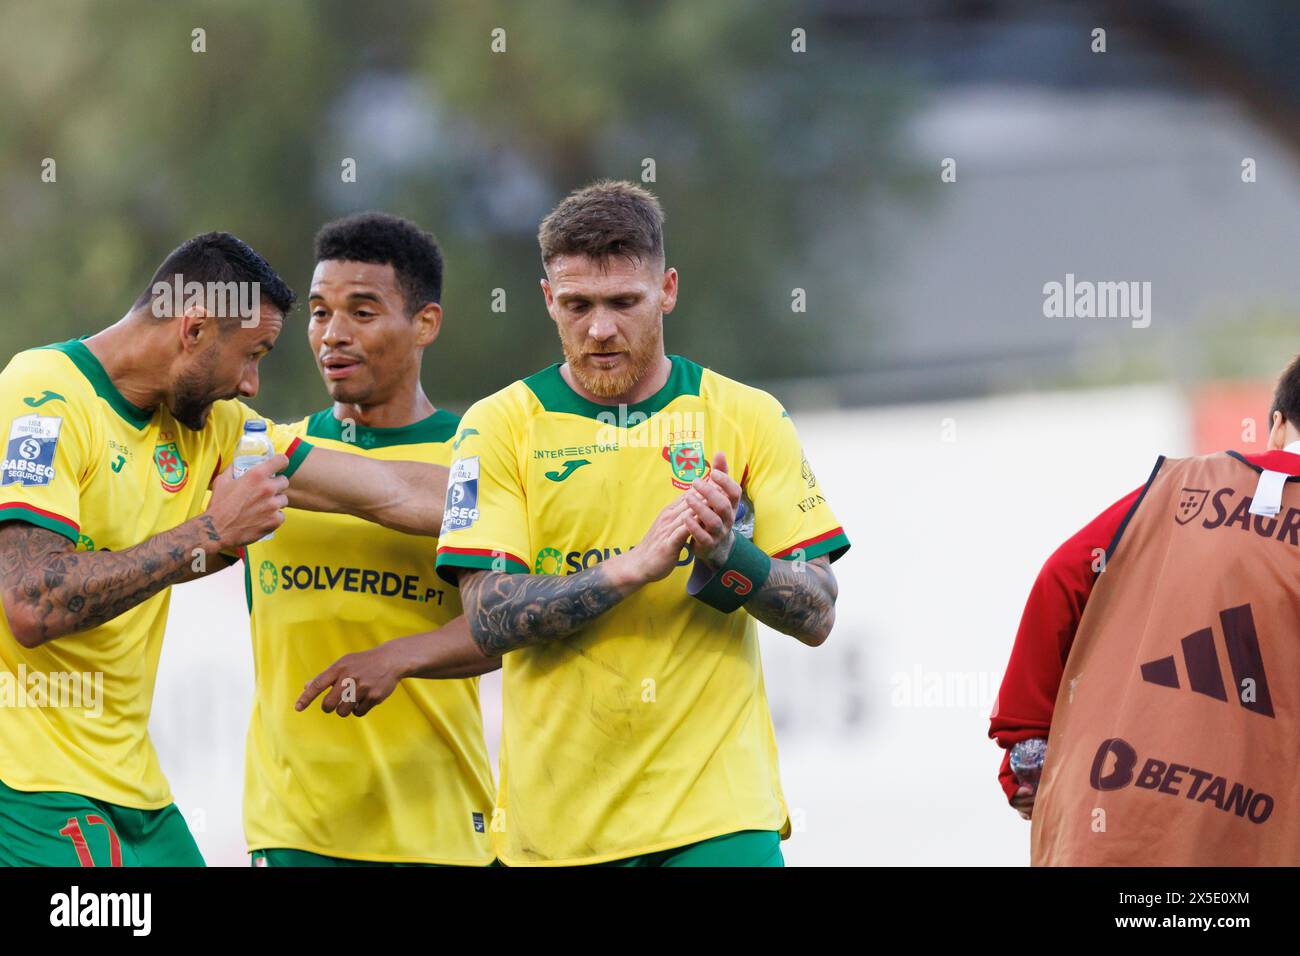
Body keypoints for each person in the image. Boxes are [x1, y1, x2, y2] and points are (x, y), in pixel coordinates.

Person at [305, 181, 849, 866]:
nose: (600, 328)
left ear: (668, 290)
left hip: (719, 819)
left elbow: (818, 613)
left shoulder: (746, 416)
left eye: (625, 302)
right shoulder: (498, 427)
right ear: (546, 300)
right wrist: (629, 569)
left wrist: (727, 554)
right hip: (556, 833)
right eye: (578, 305)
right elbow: (489, 616)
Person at [0, 232, 448, 867]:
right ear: (195, 330)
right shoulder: (42, 395)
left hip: (131, 786)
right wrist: (207, 535)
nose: (251, 384)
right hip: (26, 783)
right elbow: (30, 604)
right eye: (251, 354)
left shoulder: (215, 428)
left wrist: (561, 513)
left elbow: (390, 493)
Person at [241, 213, 495, 867]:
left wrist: (398, 657)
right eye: (320, 312)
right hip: (298, 832)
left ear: (426, 324)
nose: (333, 335)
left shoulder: (481, 454)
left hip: (442, 828)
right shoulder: (261, 452)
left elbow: (509, 624)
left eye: (362, 311)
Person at [990, 358, 1300, 865]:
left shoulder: (1180, 487)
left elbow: (1063, 575)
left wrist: (1027, 745)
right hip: (1255, 834)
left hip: (1112, 815)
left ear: (1278, 425)